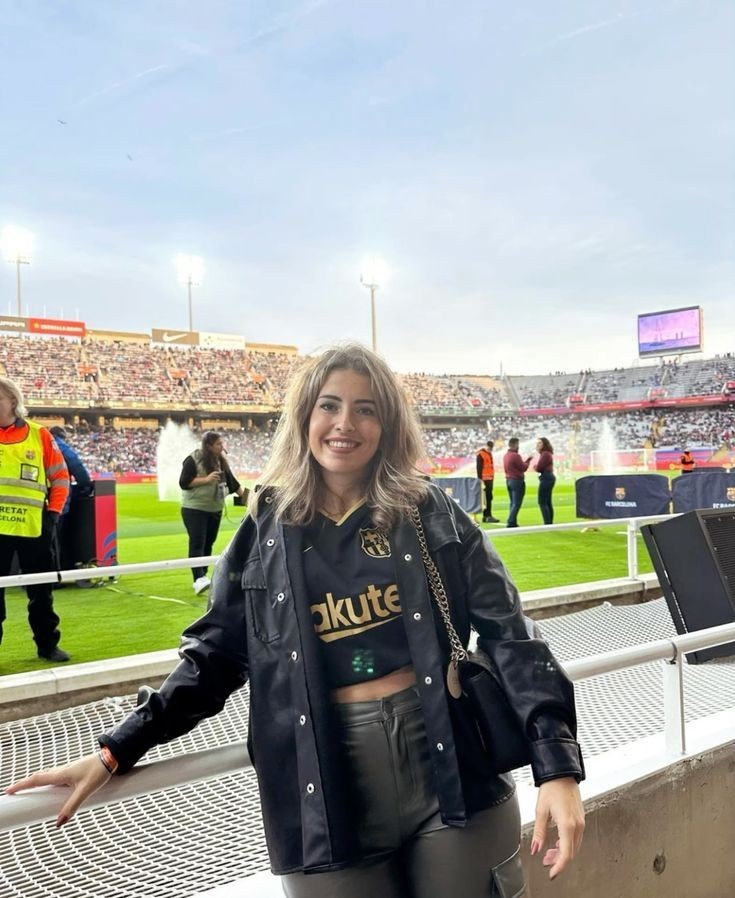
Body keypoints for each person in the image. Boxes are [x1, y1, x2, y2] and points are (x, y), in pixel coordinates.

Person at [6, 345, 585, 896]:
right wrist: (116, 749)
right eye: (329, 405)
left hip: (452, 763)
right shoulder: (263, 530)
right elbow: (213, 658)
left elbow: (512, 633)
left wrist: (556, 766)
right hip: (322, 784)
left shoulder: (428, 509)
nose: (345, 423)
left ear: (388, 425)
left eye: (366, 409)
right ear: (304, 417)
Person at [0, 377, 71, 662]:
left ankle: (47, 645)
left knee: (41, 591)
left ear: (12, 401)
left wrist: (52, 514)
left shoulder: (39, 434)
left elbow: (60, 477)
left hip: (35, 526)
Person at [179, 431, 247, 594]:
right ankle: (198, 578)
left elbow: (233, 484)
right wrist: (206, 479)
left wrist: (251, 501)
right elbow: (184, 482)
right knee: (197, 542)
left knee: (209, 542)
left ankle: (203, 575)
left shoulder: (221, 462)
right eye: (218, 444)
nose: (222, 447)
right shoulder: (193, 459)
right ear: (209, 446)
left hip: (214, 509)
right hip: (194, 509)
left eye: (222, 443)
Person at [48, 426, 93, 528]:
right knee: (55, 531)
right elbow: (76, 466)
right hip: (56, 498)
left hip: (38, 498)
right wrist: (86, 485)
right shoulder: (60, 446)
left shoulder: (40, 444)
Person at [503, 437, 530, 528]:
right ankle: (511, 521)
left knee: (513, 503)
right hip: (517, 481)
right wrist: (528, 460)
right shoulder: (515, 456)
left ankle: (513, 521)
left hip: (509, 480)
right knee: (517, 503)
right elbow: (523, 467)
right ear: (515, 445)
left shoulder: (506, 455)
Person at [476, 439, 499, 523]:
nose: (490, 450)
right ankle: (487, 516)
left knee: (489, 498)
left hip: (489, 479)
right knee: (487, 498)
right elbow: (479, 469)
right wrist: (480, 481)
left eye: (491, 448)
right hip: (485, 480)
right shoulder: (481, 454)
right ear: (486, 446)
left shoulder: (488, 454)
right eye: (489, 448)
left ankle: (487, 516)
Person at [535, 437, 556, 525]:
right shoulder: (546, 453)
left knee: (542, 501)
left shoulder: (545, 454)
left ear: (544, 444)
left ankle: (547, 523)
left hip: (546, 478)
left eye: (539, 443)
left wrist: (535, 467)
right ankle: (549, 523)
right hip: (548, 477)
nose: (537, 445)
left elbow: (539, 468)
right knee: (547, 501)